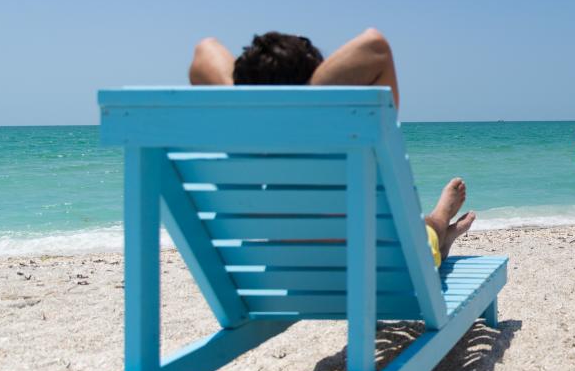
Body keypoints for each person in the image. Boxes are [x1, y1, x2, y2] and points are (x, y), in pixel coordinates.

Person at [188, 29, 474, 265]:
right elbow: (375, 46)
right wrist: (304, 103)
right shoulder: (348, 138)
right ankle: (440, 219)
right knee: (423, 232)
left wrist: (257, 107)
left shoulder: (247, 143)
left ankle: (440, 232)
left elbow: (205, 50)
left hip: (289, 271)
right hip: (387, 270)